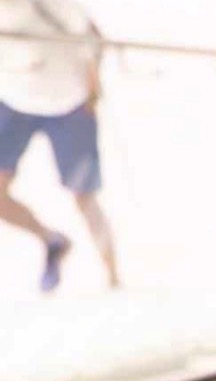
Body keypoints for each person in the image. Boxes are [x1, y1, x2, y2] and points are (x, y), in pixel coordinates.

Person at [0, 0, 121, 292]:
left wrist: (92, 93)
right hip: (15, 100)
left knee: (83, 195)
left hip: (68, 101)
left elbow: (89, 40)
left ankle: (115, 278)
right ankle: (51, 239)